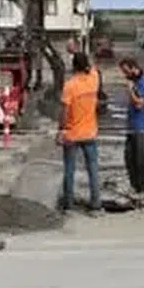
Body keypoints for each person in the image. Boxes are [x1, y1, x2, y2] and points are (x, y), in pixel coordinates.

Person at [58, 51, 102, 215]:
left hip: (72, 133)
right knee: (93, 169)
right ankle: (96, 205)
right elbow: (93, 68)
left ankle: (68, 206)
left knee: (69, 169)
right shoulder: (93, 80)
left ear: (73, 66)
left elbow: (64, 111)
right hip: (90, 133)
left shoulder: (70, 86)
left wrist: (61, 129)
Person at [120, 56, 144, 204]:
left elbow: (139, 104)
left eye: (126, 71)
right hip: (133, 127)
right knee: (130, 158)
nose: (125, 75)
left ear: (133, 68)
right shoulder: (136, 82)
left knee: (142, 159)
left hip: (143, 126)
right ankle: (135, 186)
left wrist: (130, 90)